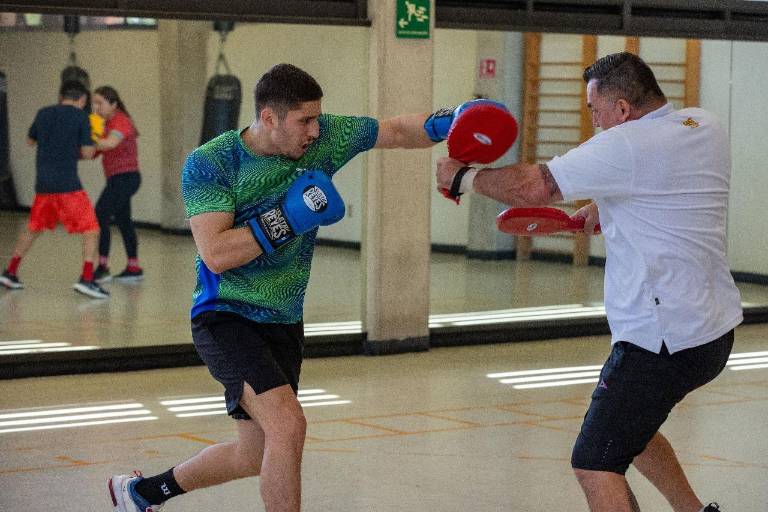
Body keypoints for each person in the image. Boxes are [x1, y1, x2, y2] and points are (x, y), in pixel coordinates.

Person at [108, 63, 492, 512]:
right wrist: (287, 218)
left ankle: (142, 493)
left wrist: (448, 121)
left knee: (255, 453)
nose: (315, 130)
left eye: (317, 118)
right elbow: (215, 252)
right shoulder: (212, 163)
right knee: (288, 427)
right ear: (269, 118)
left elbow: (394, 131)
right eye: (304, 120)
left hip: (284, 320)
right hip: (226, 315)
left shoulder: (325, 135)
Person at [436, 52, 739, 512]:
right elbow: (671, 187)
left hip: (660, 342)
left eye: (595, 111)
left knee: (595, 462)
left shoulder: (625, 146)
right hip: (714, 332)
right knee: (632, 430)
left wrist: (463, 177)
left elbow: (533, 187)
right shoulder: (703, 125)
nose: (594, 121)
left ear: (621, 110)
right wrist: (607, 207)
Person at [0, 80, 108, 299]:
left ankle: (10, 272)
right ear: (82, 100)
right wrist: (94, 139)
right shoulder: (81, 117)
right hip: (68, 185)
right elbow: (88, 153)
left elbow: (30, 141)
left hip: (43, 185)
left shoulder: (43, 113)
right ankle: (87, 278)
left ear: (62, 96)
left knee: (33, 228)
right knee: (91, 229)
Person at [91, 86, 143, 283]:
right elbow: (91, 153)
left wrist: (90, 136)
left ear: (113, 104)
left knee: (100, 214)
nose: (96, 107)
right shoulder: (103, 123)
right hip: (116, 179)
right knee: (123, 220)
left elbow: (109, 144)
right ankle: (133, 266)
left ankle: (102, 266)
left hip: (127, 178)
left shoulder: (121, 120)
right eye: (94, 103)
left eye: (100, 103)